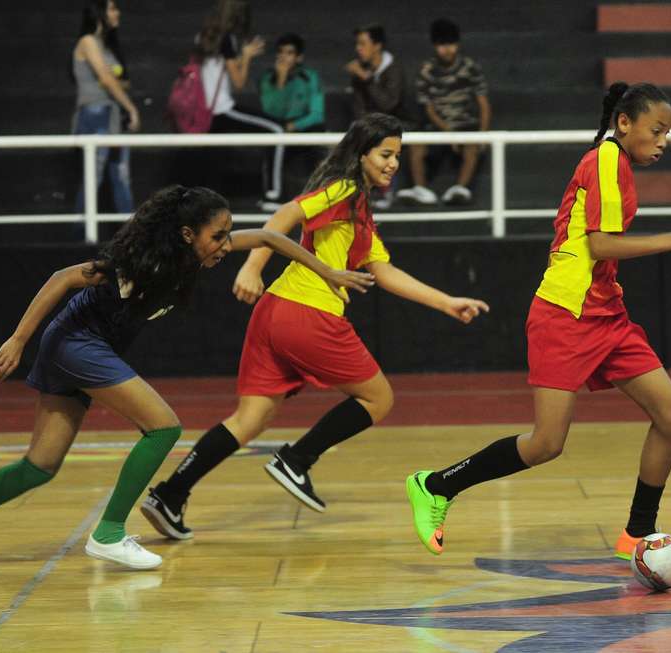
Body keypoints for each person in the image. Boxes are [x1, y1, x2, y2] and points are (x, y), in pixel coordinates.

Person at [0, 184, 374, 574]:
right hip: (75, 343)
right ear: (187, 234)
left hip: (79, 346)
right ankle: (109, 533)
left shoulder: (198, 253)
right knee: (163, 427)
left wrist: (326, 271)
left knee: (39, 466)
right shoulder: (140, 263)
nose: (225, 244)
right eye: (218, 236)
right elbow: (63, 277)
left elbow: (271, 237)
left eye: (228, 234)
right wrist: (17, 340)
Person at [140, 113, 489, 540]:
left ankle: (170, 494)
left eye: (398, 155)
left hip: (274, 312)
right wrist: (252, 267)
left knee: (250, 419)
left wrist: (446, 302)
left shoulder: (358, 210)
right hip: (309, 313)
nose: (394, 163)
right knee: (378, 398)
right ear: (361, 154)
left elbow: (383, 272)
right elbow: (285, 214)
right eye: (385, 154)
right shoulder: (344, 189)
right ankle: (297, 460)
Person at [404, 82, 671, 569]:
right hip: (564, 314)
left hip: (606, 313)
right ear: (624, 123)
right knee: (546, 444)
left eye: (667, 133)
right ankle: (436, 485)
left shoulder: (616, 162)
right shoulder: (606, 159)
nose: (663, 142)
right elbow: (600, 245)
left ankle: (638, 532)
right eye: (657, 130)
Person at [196, 0, 285, 210]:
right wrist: (246, 56)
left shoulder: (202, 37)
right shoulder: (226, 40)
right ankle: (272, 196)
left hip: (203, 111)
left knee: (213, 160)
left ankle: (205, 205)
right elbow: (239, 82)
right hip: (221, 109)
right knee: (277, 130)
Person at [396, 18, 491, 206]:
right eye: (442, 45)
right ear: (434, 46)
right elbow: (429, 108)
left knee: (472, 146)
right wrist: (448, 132)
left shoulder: (470, 67)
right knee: (415, 145)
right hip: (436, 126)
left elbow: (484, 104)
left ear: (458, 44)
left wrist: (483, 133)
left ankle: (460, 189)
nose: (447, 49)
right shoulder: (426, 70)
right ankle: (421, 189)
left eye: (451, 44)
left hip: (466, 125)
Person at [72, 0, 140, 217]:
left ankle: (132, 233)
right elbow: (107, 79)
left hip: (113, 116)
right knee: (93, 177)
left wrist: (111, 82)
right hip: (96, 114)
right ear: (99, 11)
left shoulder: (106, 46)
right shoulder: (88, 41)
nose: (117, 13)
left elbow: (122, 81)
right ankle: (82, 232)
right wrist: (131, 108)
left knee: (121, 176)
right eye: (112, 8)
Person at [346, 25, 410, 209]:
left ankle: (385, 190)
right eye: (357, 44)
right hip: (372, 124)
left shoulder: (394, 69)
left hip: (399, 123)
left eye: (363, 44)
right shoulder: (360, 70)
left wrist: (366, 78)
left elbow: (389, 104)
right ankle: (355, 193)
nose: (358, 48)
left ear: (377, 45)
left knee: (383, 139)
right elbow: (358, 105)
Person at [259, 32, 326, 198]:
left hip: (302, 125)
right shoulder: (268, 79)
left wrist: (295, 125)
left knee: (320, 137)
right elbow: (270, 111)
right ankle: (272, 195)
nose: (284, 57)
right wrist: (280, 81)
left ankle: (325, 193)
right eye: (281, 52)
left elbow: (317, 114)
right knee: (273, 135)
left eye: (289, 53)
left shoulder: (309, 77)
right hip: (278, 126)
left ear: (299, 57)